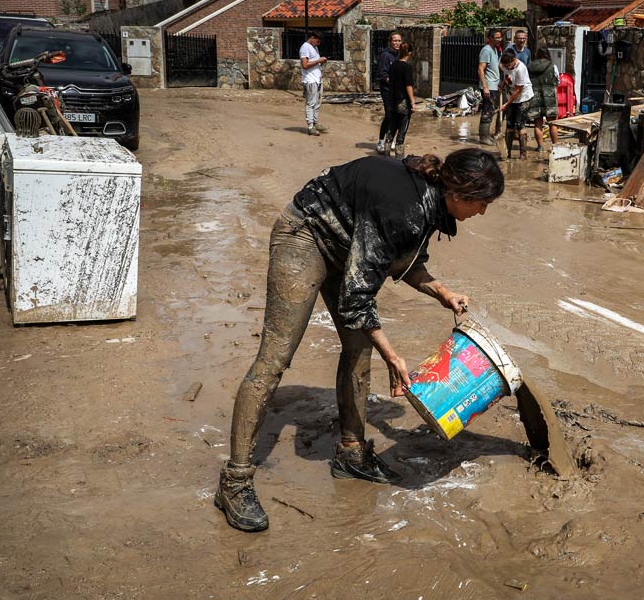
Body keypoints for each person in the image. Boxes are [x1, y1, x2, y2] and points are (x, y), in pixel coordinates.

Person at [215, 149, 505, 533]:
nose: (482, 213)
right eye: (482, 204)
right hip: (306, 235)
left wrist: (442, 292)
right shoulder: (405, 204)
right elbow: (358, 296)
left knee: (358, 347)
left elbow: (399, 259)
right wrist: (394, 356)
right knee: (275, 358)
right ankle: (235, 481)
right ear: (460, 192)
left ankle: (351, 454)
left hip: (345, 245)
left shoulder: (429, 199)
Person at [383, 42, 421, 157]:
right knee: (402, 127)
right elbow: (408, 85)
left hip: (392, 100)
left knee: (393, 126)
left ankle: (386, 151)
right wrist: (413, 102)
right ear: (409, 53)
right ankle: (399, 155)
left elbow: (390, 81)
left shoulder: (393, 65)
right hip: (403, 101)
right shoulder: (407, 67)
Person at [498, 47, 534, 159]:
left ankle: (523, 153)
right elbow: (507, 76)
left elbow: (518, 90)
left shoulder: (520, 69)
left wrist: (506, 104)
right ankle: (506, 152)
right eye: (506, 65)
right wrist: (503, 83)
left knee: (520, 124)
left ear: (514, 59)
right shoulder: (504, 65)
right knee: (509, 124)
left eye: (509, 64)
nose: (508, 67)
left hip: (523, 97)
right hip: (511, 96)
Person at [525, 48, 559, 150]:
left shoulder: (529, 66)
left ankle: (540, 146)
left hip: (535, 96)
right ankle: (555, 146)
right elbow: (557, 80)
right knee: (552, 123)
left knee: (538, 123)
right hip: (549, 96)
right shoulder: (552, 66)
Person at [476, 29, 503, 146]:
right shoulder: (486, 50)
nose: (499, 40)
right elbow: (481, 69)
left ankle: (486, 135)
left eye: (500, 37)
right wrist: (485, 87)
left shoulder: (495, 50)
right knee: (487, 111)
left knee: (490, 110)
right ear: (490, 38)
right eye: (497, 37)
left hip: (494, 85)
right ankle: (483, 137)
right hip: (489, 85)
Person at [300, 31, 330, 135]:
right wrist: (318, 61)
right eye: (318, 41)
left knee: (317, 103)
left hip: (317, 79)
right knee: (310, 103)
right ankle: (310, 126)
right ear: (312, 38)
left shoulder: (314, 48)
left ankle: (315, 122)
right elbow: (305, 65)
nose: (319, 43)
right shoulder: (305, 48)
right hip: (310, 79)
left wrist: (320, 61)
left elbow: (313, 61)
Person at [375, 32, 402, 150]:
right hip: (387, 90)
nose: (397, 43)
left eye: (399, 41)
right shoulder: (386, 55)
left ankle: (390, 139)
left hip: (398, 91)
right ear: (390, 42)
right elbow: (382, 74)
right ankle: (381, 141)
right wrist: (392, 82)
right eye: (395, 41)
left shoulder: (399, 55)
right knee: (389, 115)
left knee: (397, 116)